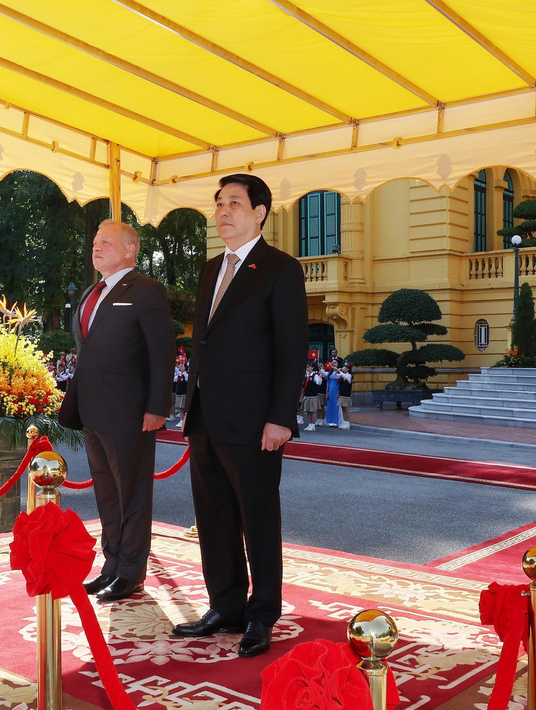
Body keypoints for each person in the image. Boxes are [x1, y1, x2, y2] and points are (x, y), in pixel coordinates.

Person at [173, 174, 307, 659]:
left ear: (260, 213)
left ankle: (261, 613)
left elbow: (292, 351)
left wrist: (280, 418)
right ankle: (224, 606)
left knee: (258, 519)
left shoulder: (279, 269)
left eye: (234, 202)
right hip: (206, 415)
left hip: (255, 422)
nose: (223, 211)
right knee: (213, 518)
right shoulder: (211, 269)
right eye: (219, 203)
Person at [59, 219, 174, 603]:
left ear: (130, 249)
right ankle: (111, 566)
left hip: (130, 414)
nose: (97, 246)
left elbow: (162, 353)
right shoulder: (92, 292)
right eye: (95, 240)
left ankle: (131, 573)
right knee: (108, 495)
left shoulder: (145, 291)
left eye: (106, 241)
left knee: (132, 496)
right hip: (93, 412)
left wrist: (157, 407)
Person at [301, 364, 323, 432]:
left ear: (312, 368)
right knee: (308, 411)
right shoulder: (307, 376)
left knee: (312, 411)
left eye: (309, 367)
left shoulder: (315, 376)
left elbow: (318, 383)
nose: (307, 368)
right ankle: (309, 424)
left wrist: (320, 377)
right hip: (307, 395)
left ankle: (313, 425)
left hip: (313, 396)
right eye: (307, 367)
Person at [336, 363, 354, 430]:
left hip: (346, 395)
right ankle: (344, 422)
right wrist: (336, 371)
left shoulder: (349, 376)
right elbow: (334, 375)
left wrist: (340, 371)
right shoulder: (341, 376)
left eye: (344, 367)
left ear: (348, 369)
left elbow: (345, 377)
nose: (343, 368)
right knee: (343, 409)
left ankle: (347, 423)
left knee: (346, 409)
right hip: (341, 394)